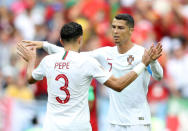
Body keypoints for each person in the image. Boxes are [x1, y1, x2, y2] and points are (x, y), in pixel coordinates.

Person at [21, 14, 163, 131]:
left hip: (138, 120)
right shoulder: (105, 52)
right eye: (113, 27)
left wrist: (153, 61)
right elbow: (74, 55)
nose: (115, 31)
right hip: (114, 121)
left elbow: (159, 76)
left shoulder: (142, 53)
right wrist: (46, 45)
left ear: (131, 30)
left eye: (120, 28)